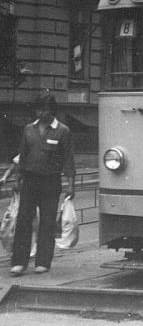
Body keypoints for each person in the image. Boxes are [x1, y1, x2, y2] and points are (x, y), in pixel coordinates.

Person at [9, 92, 75, 276]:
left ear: (51, 110)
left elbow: (68, 160)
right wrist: (17, 180)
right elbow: (23, 157)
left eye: (44, 109)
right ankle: (19, 262)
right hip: (30, 181)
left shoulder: (63, 131)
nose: (40, 112)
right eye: (38, 109)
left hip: (50, 182)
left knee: (47, 222)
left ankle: (43, 261)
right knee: (23, 221)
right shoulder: (28, 129)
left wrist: (71, 184)